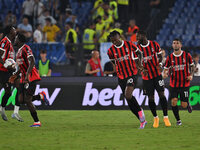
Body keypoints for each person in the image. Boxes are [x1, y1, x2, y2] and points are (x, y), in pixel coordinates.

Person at [107, 30, 147, 129]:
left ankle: (141, 112)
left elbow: (140, 53)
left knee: (128, 94)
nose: (114, 42)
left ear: (119, 37)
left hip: (132, 74)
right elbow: (114, 62)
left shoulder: (129, 45)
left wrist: (140, 65)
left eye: (115, 40)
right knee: (128, 99)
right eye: (112, 41)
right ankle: (142, 120)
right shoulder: (110, 51)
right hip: (121, 76)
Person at [136, 30, 171, 128]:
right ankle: (156, 118)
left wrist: (160, 64)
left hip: (156, 74)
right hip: (146, 77)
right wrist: (142, 69)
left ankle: (165, 117)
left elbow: (160, 57)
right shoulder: (137, 48)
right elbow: (136, 62)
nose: (137, 38)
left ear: (144, 35)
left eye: (138, 36)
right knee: (150, 97)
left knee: (161, 94)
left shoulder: (154, 44)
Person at [11, 33, 47, 127]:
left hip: (31, 77)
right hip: (23, 78)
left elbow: (32, 61)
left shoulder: (26, 48)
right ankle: (40, 96)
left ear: (20, 40)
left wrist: (27, 75)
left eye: (16, 39)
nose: (14, 40)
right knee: (21, 100)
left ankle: (37, 122)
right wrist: (15, 75)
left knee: (27, 100)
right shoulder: (18, 51)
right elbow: (22, 67)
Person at [163, 39, 195, 125]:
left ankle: (187, 103)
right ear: (172, 45)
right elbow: (166, 69)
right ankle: (178, 120)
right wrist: (165, 73)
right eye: (174, 43)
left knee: (183, 105)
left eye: (177, 43)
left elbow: (192, 66)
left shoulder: (187, 55)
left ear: (181, 45)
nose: (175, 45)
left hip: (184, 83)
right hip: (174, 84)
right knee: (173, 101)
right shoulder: (170, 57)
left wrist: (191, 75)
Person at [0, 25, 16, 121]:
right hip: (2, 71)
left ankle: (2, 108)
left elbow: (8, 59)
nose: (15, 30)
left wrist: (12, 67)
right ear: (10, 31)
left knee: (8, 92)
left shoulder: (10, 43)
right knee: (8, 91)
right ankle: (2, 108)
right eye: (14, 29)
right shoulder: (4, 42)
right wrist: (6, 66)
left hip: (7, 71)